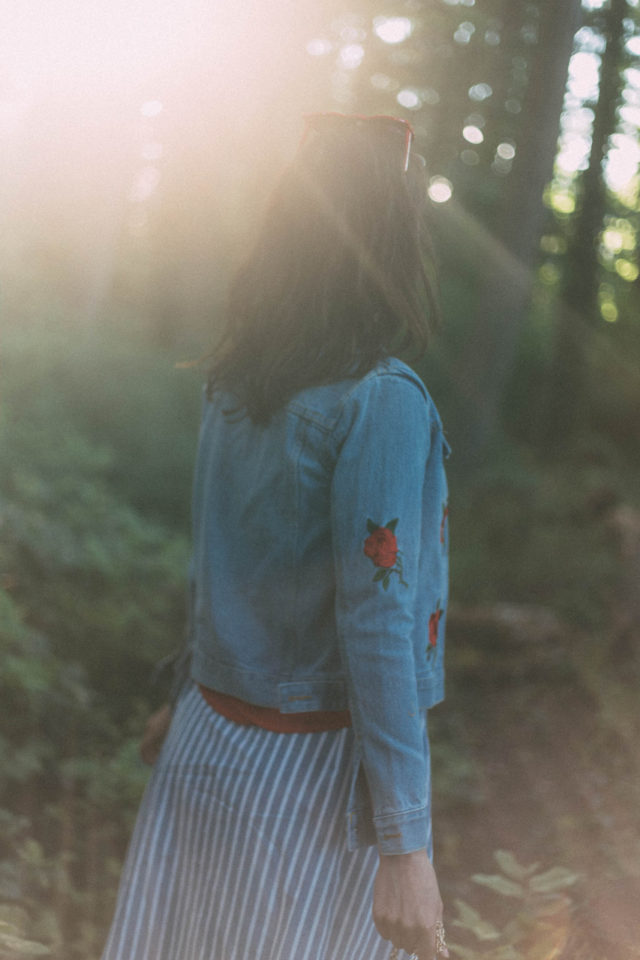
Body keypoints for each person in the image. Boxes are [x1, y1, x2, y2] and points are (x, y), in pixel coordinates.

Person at [102, 113, 451, 960]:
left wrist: (189, 692)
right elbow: (379, 622)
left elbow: (218, 560)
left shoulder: (237, 381)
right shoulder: (381, 400)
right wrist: (405, 844)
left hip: (207, 747)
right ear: (392, 237)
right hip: (307, 783)